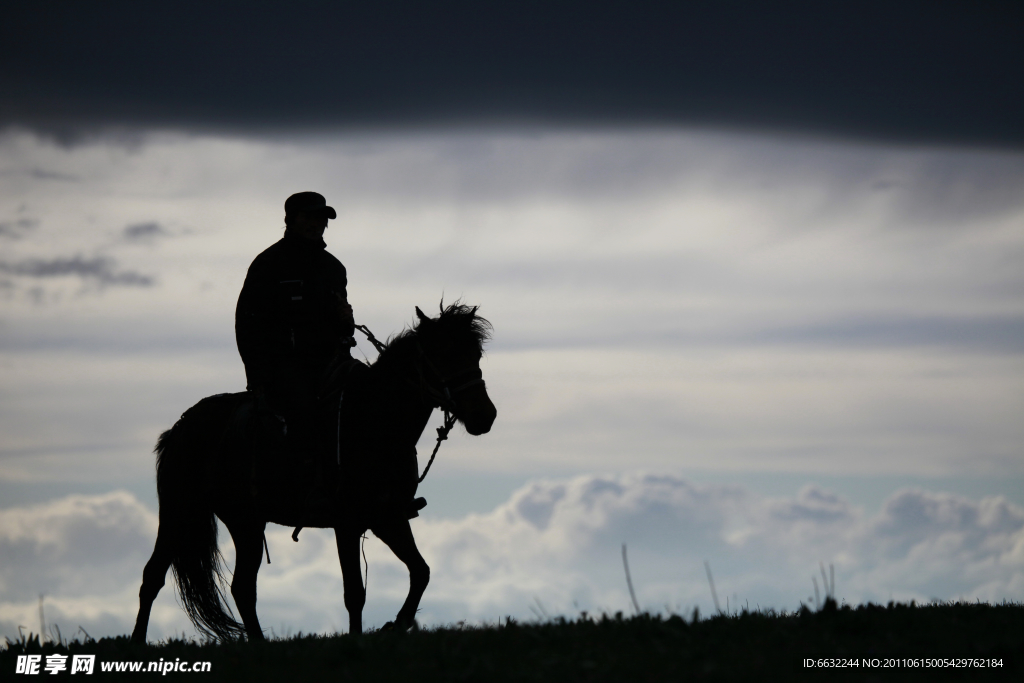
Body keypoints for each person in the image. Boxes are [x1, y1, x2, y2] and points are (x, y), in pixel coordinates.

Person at [235, 191, 356, 503]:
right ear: (291, 219)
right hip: (284, 366)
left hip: (330, 364)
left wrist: (346, 321)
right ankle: (305, 486)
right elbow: (248, 325)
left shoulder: (334, 268)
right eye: (310, 217)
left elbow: (340, 327)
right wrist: (259, 377)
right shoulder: (268, 264)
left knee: (372, 398)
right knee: (302, 412)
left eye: (322, 219)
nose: (317, 224)